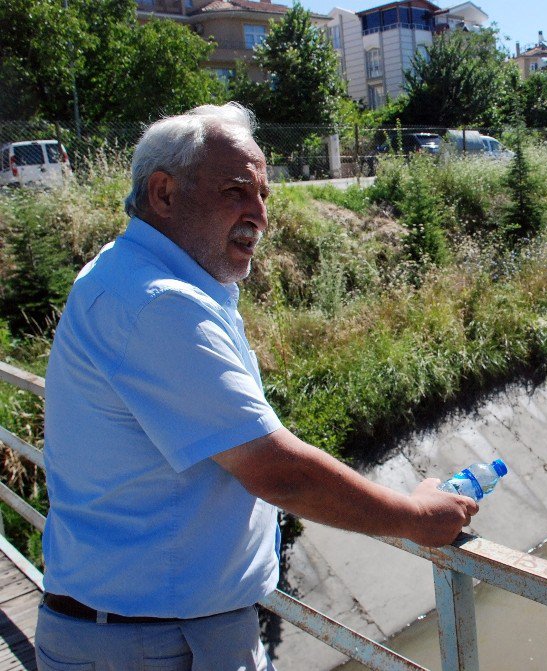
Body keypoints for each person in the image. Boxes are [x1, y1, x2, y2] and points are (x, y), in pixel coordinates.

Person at [37, 103, 479, 671]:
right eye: (236, 191)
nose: (260, 216)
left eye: (263, 195)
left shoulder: (123, 271)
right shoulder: (159, 305)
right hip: (154, 646)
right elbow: (276, 470)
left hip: (136, 631)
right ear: (164, 194)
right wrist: (418, 517)